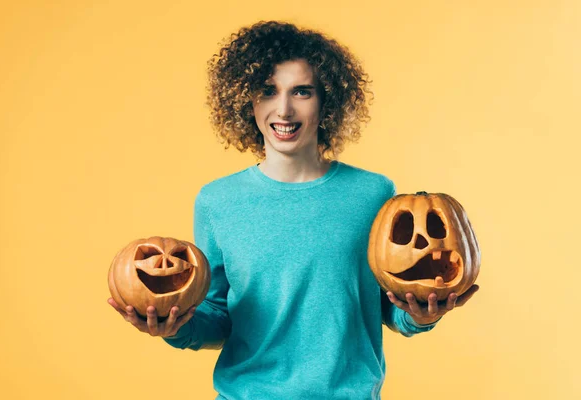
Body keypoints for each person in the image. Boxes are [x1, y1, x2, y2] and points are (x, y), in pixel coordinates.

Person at [108, 20, 479, 399]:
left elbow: (389, 306)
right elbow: (217, 317)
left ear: (327, 101)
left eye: (302, 92)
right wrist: (174, 329)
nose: (283, 110)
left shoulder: (373, 194)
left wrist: (421, 317)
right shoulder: (217, 201)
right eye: (268, 91)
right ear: (247, 101)